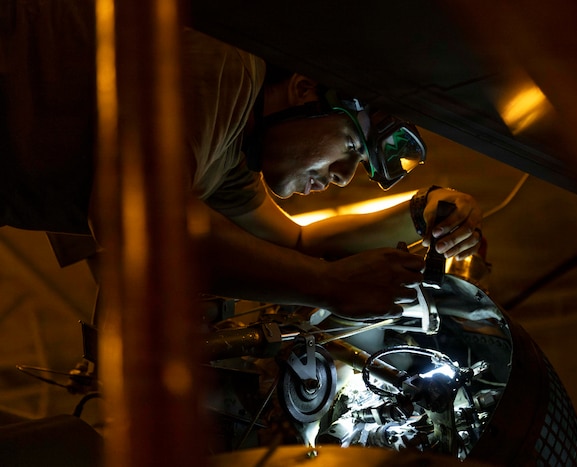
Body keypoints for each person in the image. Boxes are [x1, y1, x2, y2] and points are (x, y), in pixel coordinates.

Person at [0, 2, 483, 321]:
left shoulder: (227, 159)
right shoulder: (228, 69)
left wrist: (422, 212)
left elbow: (295, 239)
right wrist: (327, 286)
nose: (339, 177)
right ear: (303, 89)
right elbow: (135, 220)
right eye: (351, 149)